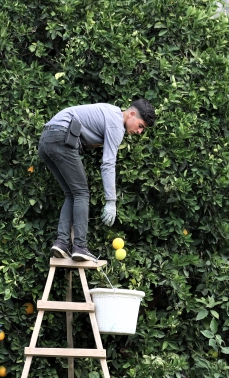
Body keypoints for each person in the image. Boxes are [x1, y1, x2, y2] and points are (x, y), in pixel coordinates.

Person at [39, 99, 155, 262]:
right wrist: (111, 201)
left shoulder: (110, 112)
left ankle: (61, 243)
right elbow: (108, 163)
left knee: (71, 193)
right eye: (141, 126)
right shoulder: (116, 124)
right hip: (61, 136)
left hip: (46, 139)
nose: (139, 131)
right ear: (132, 114)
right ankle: (80, 246)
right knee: (81, 193)